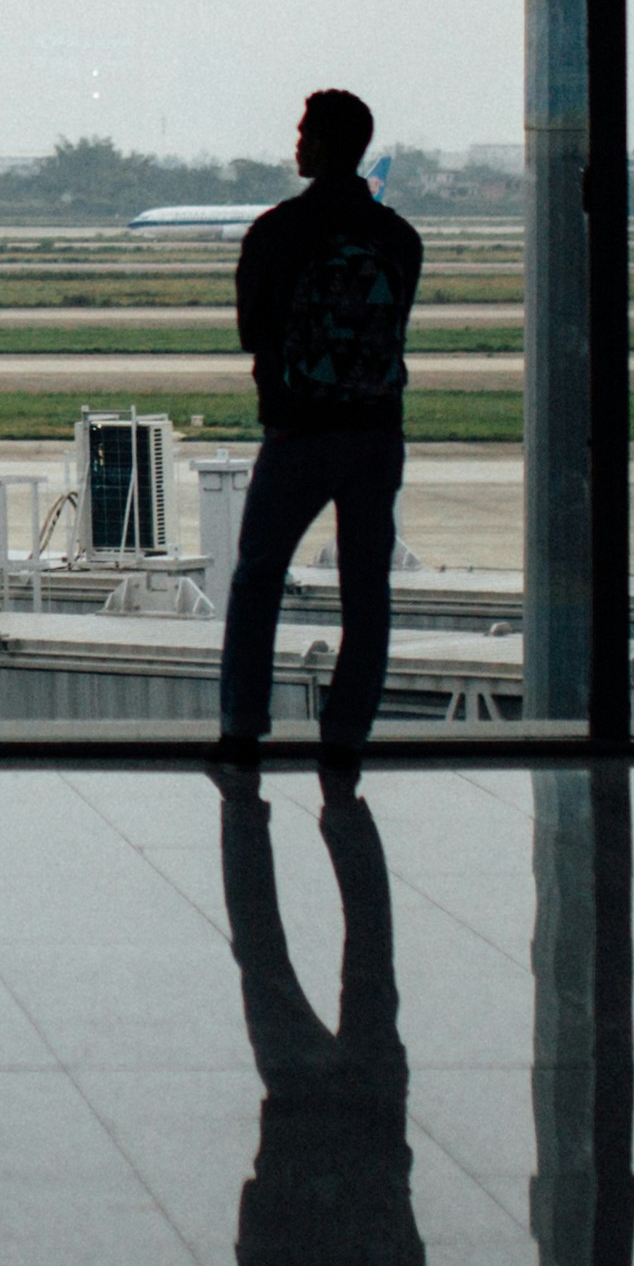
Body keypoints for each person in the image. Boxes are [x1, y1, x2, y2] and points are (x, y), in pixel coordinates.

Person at [219, 85, 422, 787]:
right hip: (377, 434)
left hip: (300, 431)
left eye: (306, 130)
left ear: (330, 144)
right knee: (366, 590)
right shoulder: (399, 237)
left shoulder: (277, 231)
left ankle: (242, 729)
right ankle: (344, 736)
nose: (296, 140)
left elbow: (254, 330)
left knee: (257, 578)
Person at [226, 784, 423, 1266]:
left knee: (369, 950)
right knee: (261, 950)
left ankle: (346, 812)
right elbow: (255, 1205)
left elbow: (398, 1194)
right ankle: (241, 810)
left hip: (373, 1101)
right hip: (298, 1106)